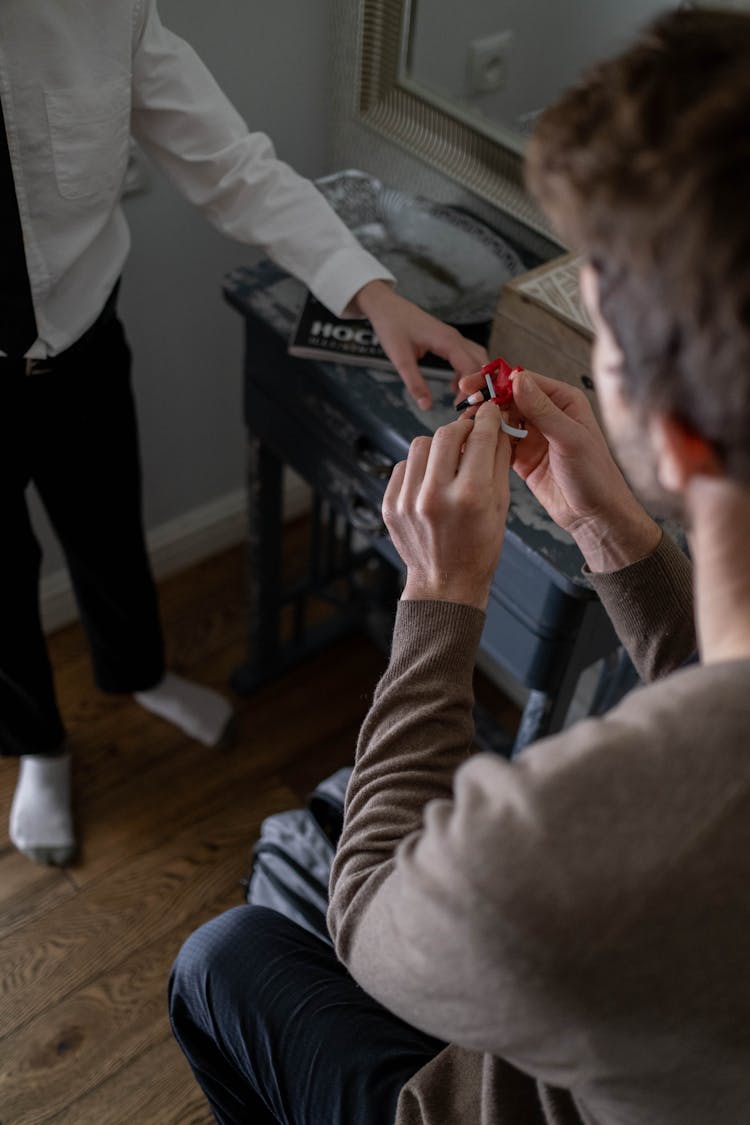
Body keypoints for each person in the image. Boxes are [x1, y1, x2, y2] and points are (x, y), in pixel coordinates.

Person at [168, 7, 750, 1125]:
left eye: (602, 327)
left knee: (226, 955)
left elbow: (375, 928)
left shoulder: (554, 855)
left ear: (674, 429)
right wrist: (614, 534)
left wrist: (438, 601)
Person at [0, 2, 487, 867]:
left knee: (108, 523)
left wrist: (370, 293)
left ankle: (139, 672)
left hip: (78, 342)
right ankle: (38, 740)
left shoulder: (103, 11)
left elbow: (230, 164)